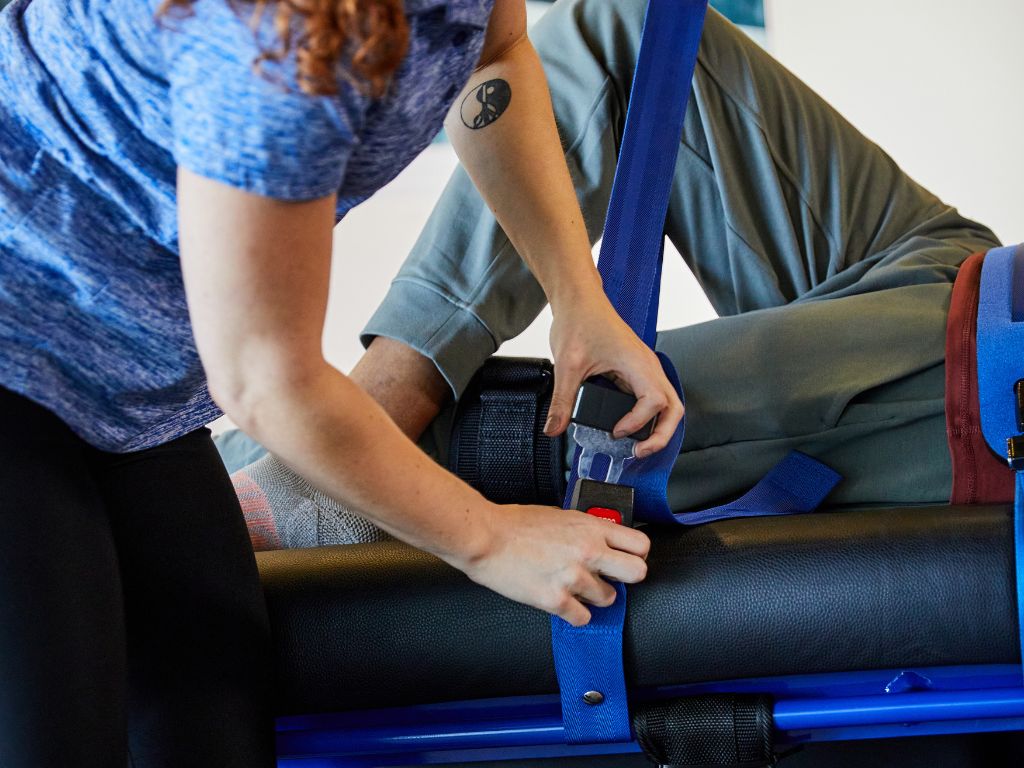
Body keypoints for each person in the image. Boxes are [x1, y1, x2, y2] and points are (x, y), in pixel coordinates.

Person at [0, 0, 683, 764]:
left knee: (209, 730)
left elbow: (497, 59)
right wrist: (491, 539)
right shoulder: (270, 32)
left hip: (140, 398)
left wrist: (579, 301)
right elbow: (266, 380)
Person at [221, 0, 1003, 553]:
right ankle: (382, 396)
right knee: (626, 32)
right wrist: (576, 297)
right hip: (970, 267)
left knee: (596, 425)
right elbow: (497, 52)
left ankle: (308, 476)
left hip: (997, 381)